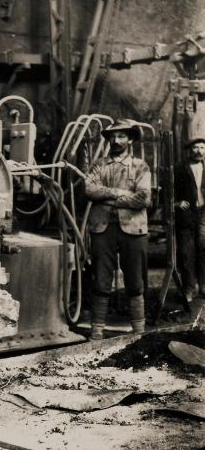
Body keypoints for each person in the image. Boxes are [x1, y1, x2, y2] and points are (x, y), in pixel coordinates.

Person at [85, 119, 152, 340]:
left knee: (135, 281)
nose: (116, 140)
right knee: (101, 280)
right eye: (113, 136)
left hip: (133, 228)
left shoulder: (141, 166)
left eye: (122, 136)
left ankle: (139, 334)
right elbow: (89, 189)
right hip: (102, 228)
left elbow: (144, 198)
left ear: (130, 139)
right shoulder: (98, 165)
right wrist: (118, 193)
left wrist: (108, 199)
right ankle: (96, 333)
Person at [175, 136, 205, 301]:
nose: (199, 151)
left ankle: (203, 286)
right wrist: (176, 203)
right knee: (186, 253)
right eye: (196, 148)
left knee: (204, 249)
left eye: (202, 148)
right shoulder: (179, 168)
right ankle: (189, 289)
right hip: (186, 215)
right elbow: (168, 191)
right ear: (189, 150)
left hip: (204, 214)